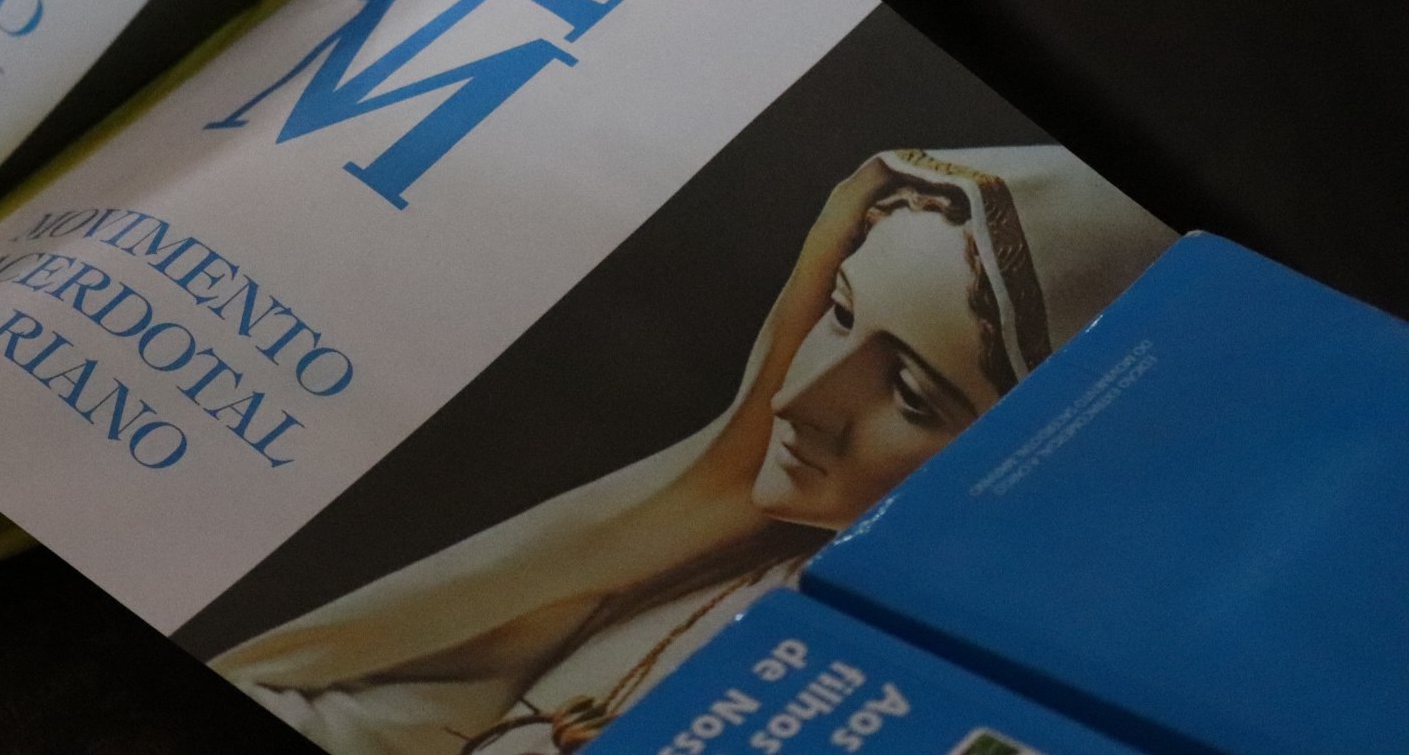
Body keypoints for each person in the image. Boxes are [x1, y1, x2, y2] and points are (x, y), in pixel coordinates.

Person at [213, 146, 1173, 755]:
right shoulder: (702, 566)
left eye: (913, 395)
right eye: (837, 314)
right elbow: (386, 716)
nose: (799, 398)